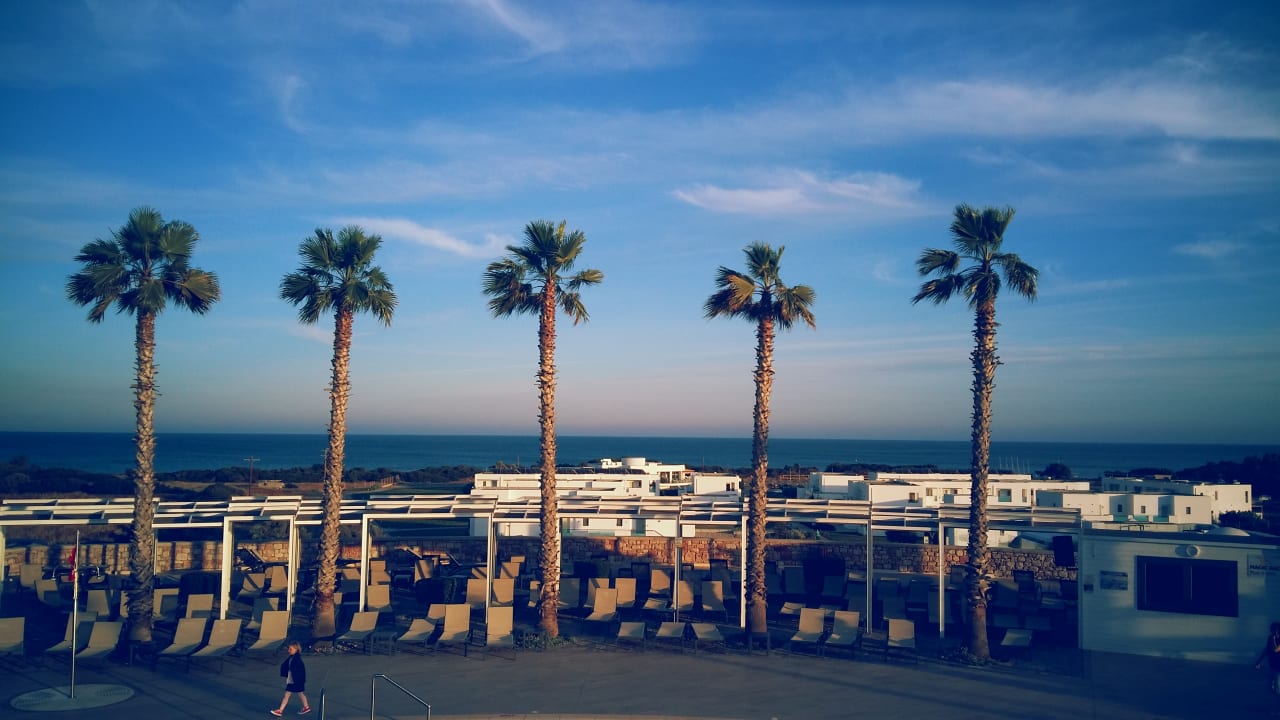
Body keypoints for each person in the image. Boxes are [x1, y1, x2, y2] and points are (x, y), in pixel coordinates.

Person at [271, 641, 310, 716]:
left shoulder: (297, 659)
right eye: (289, 649)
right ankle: (306, 707)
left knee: (288, 695)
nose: (288, 651)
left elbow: (298, 671)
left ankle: (280, 710)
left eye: (290, 649)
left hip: (295, 680)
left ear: (296, 649)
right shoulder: (293, 658)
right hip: (295, 680)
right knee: (300, 693)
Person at [1257, 622, 1280, 706]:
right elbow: (1266, 650)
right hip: (1271, 666)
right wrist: (1259, 661)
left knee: (1278, 689)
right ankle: (1275, 706)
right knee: (1269, 687)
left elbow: (1276, 650)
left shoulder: (1273, 639)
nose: (1274, 632)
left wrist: (1273, 640)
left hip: (1279, 669)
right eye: (1273, 630)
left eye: (1276, 630)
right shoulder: (1270, 638)